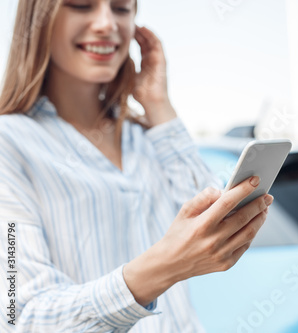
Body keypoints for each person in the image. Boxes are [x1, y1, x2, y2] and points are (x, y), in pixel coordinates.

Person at [0, 0, 273, 331]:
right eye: (81, 5)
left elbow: (218, 226)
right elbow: (24, 317)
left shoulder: (150, 136)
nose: (106, 24)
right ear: (38, 19)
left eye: (121, 8)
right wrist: (162, 269)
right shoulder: (9, 143)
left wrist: (159, 105)